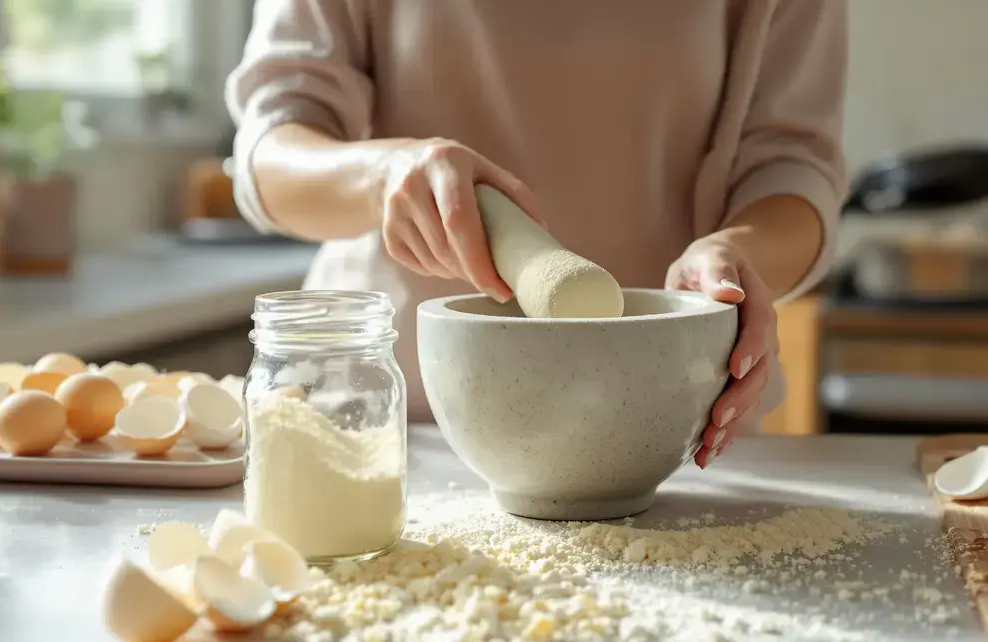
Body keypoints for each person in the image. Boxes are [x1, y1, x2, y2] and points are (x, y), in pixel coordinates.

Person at [226, 0, 849, 469]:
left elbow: (793, 166)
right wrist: (383, 175)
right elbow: (272, 151)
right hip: (397, 429)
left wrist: (736, 254)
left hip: (681, 424)